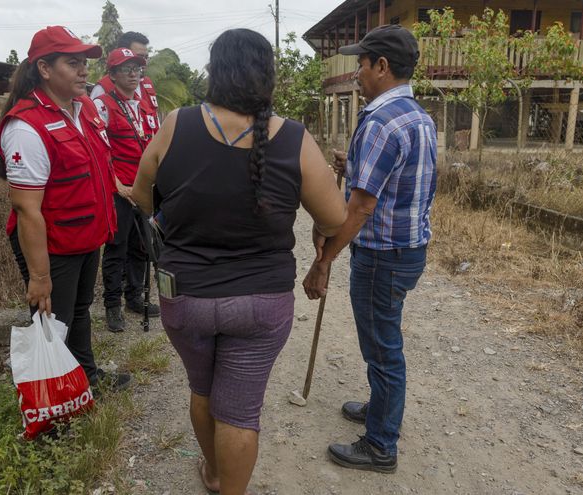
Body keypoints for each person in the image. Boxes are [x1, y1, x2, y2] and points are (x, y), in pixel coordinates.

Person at [131, 29, 347, 495]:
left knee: (202, 389)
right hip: (261, 303)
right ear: (267, 76)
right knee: (240, 411)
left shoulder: (176, 123)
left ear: (215, 72)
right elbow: (334, 218)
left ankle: (212, 472)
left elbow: (142, 197)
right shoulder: (293, 137)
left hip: (186, 296)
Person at [302, 25, 437, 473]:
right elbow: (398, 177)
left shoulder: (380, 122)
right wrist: (356, 164)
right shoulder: (417, 116)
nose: (356, 72)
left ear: (381, 66)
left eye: (361, 63)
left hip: (382, 256)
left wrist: (323, 262)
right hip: (407, 251)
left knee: (382, 349)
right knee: (383, 341)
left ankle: (380, 445)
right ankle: (381, 409)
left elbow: (360, 208)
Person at [0, 25, 130, 392]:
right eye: (73, 63)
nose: (84, 71)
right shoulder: (26, 126)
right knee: (52, 321)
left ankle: (86, 379)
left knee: (80, 310)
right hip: (52, 243)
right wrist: (39, 277)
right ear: (44, 68)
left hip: (85, 235)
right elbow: (27, 209)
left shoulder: (84, 108)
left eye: (84, 62)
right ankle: (50, 401)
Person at [94, 47, 161, 332]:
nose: (134, 74)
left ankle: (135, 297)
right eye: (126, 69)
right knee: (116, 247)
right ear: (112, 74)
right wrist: (117, 184)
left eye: (137, 68)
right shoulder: (102, 105)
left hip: (143, 187)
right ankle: (113, 305)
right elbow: (99, 150)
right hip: (120, 189)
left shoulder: (144, 105)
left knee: (142, 246)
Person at [90, 31, 160, 120]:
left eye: (146, 57)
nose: (144, 62)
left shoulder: (147, 83)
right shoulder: (103, 87)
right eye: (139, 57)